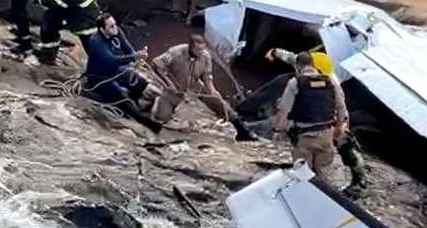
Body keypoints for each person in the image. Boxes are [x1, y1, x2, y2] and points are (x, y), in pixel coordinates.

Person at [268, 47, 367, 190]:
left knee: (344, 145)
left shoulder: (325, 82)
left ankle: (358, 178)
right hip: (322, 126)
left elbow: (341, 109)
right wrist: (275, 52)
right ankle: (326, 186)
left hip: (319, 126)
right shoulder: (316, 72)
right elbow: (294, 58)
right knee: (323, 165)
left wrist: (278, 130)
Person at [150, 32, 256, 141]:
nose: (200, 53)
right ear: (190, 47)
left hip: (193, 83)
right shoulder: (175, 52)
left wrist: (212, 89)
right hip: (173, 85)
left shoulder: (205, 56)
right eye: (197, 50)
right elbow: (156, 64)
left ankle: (241, 128)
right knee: (161, 117)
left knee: (217, 101)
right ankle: (158, 106)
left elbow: (206, 75)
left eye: (202, 49)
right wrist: (169, 82)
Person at [82, 14, 163, 133]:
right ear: (102, 29)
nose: (115, 28)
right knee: (121, 96)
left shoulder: (116, 32)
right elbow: (111, 61)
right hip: (100, 77)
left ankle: (146, 101)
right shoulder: (96, 42)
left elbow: (128, 49)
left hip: (117, 71)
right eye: (111, 26)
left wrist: (137, 56)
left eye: (115, 24)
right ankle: (145, 120)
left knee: (141, 82)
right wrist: (133, 57)